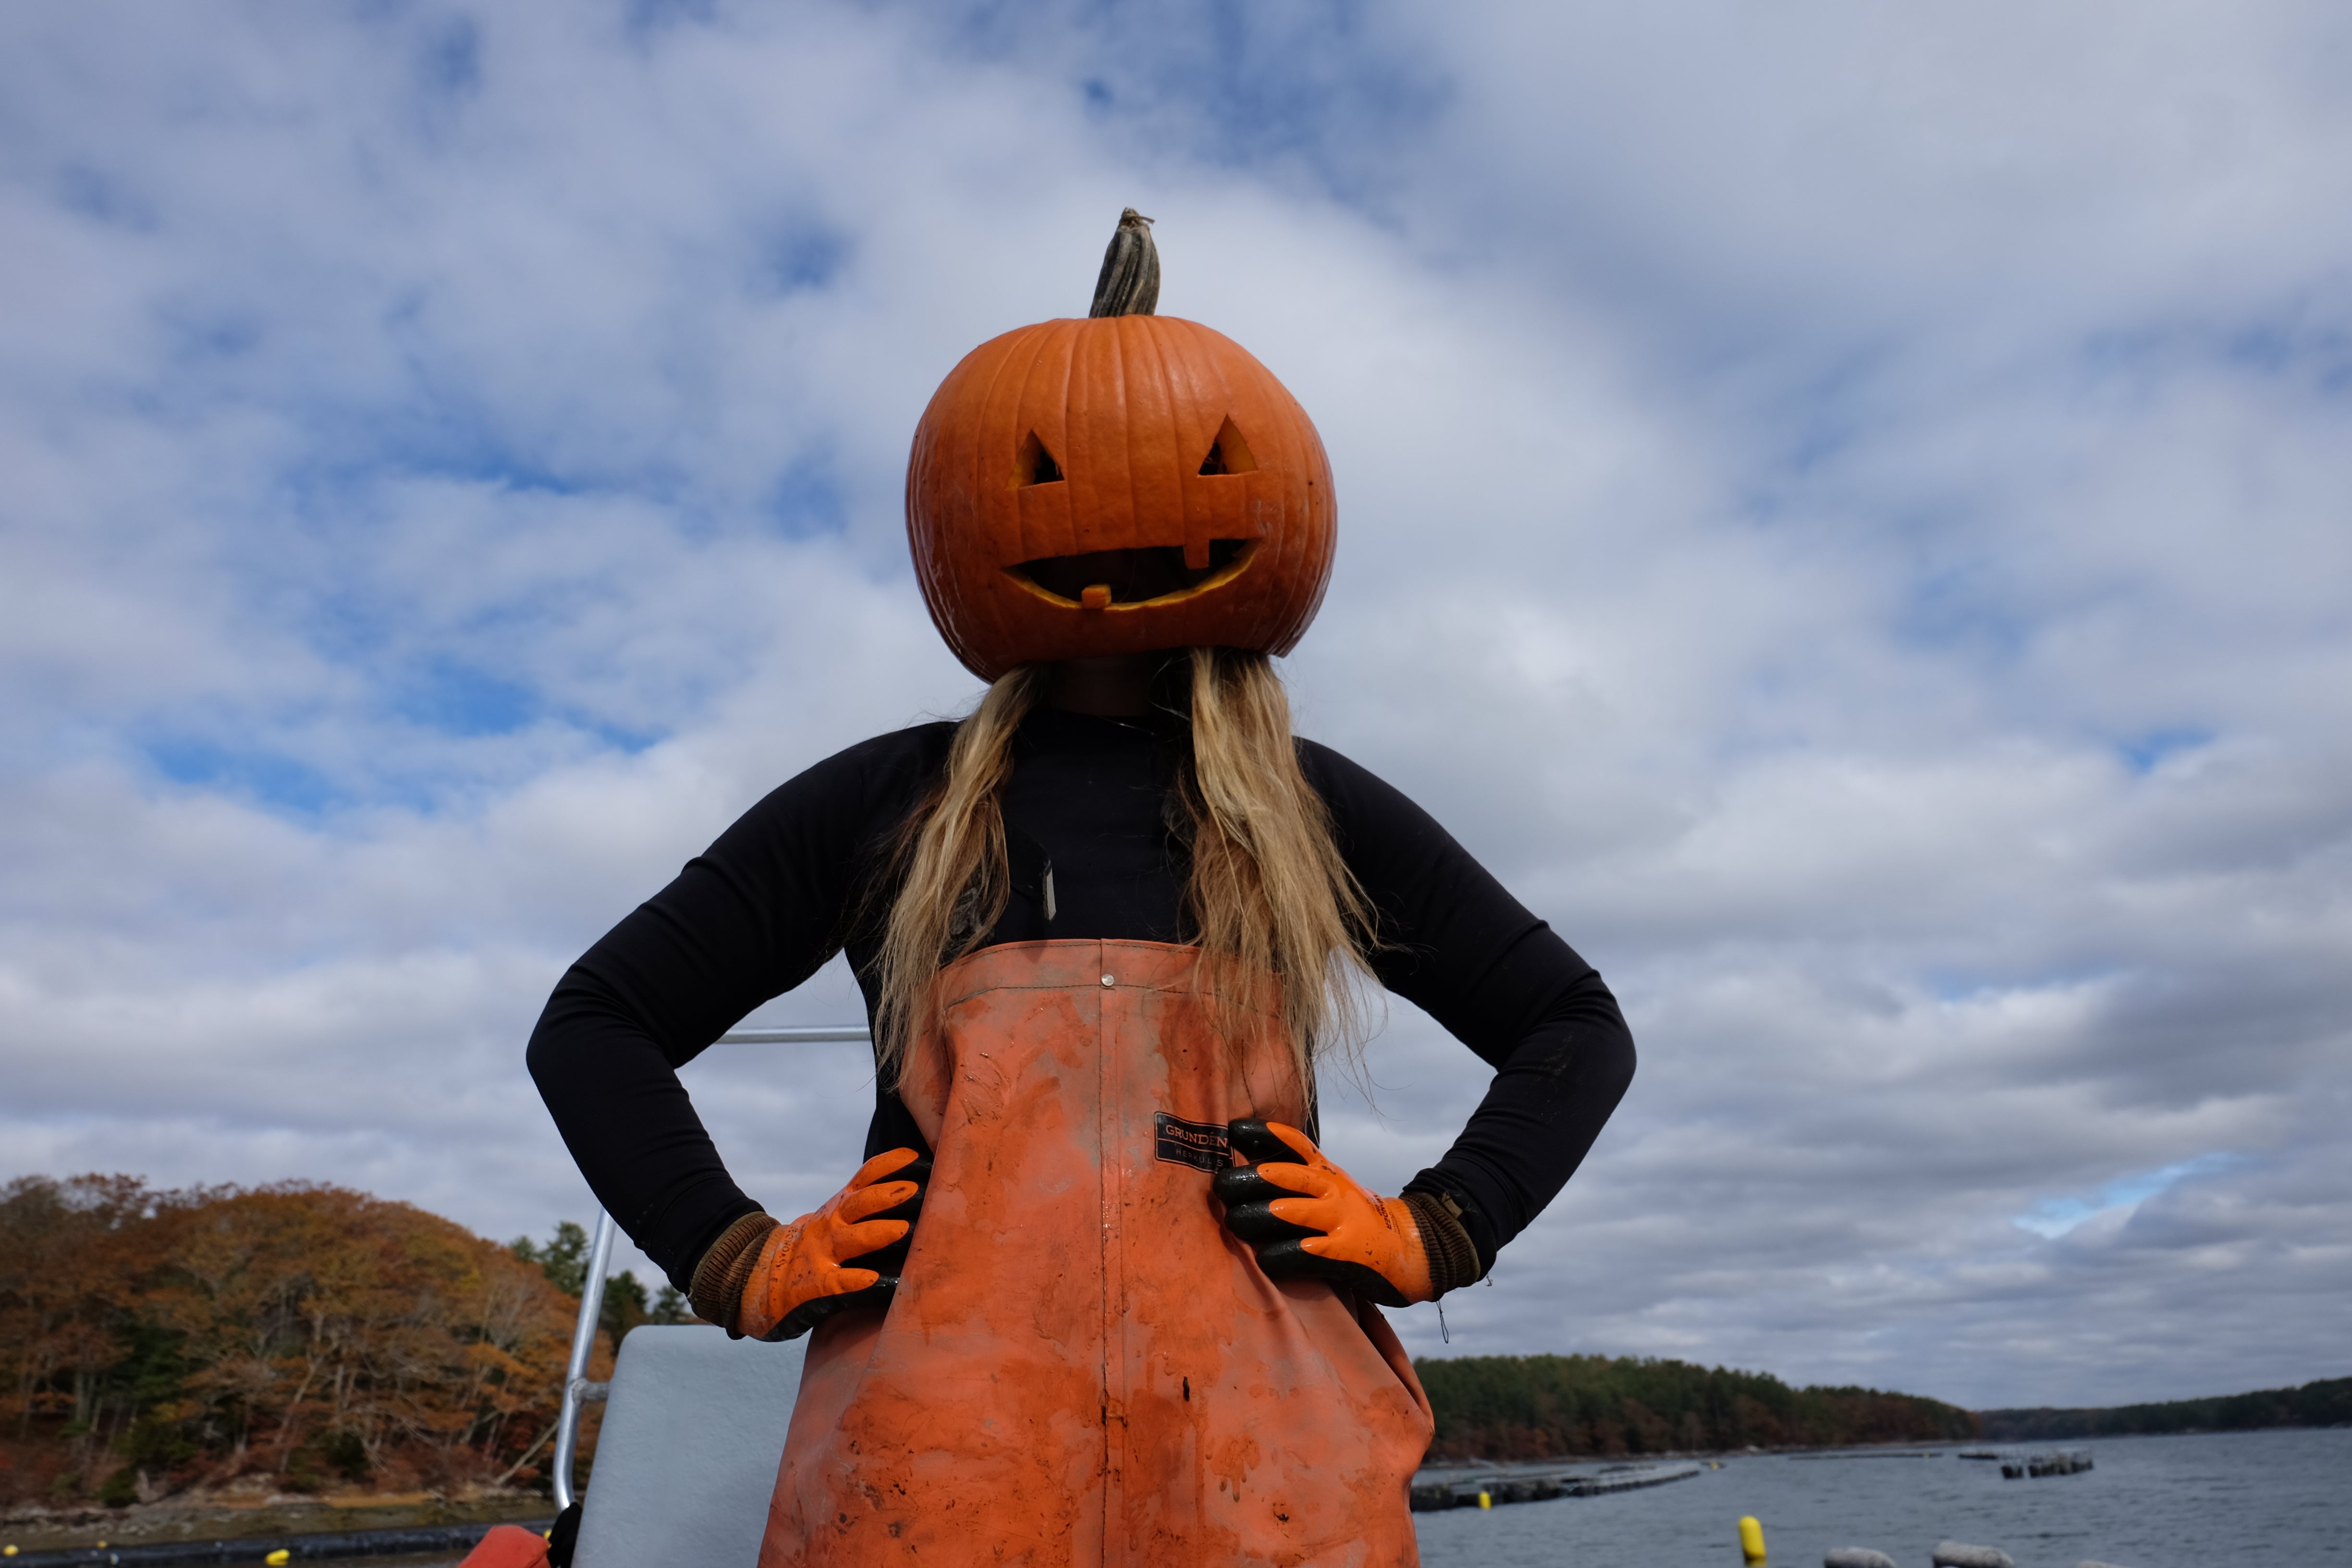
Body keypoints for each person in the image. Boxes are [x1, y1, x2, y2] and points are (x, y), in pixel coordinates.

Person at [527, 212, 1635, 1567]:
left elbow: (1574, 1026)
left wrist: (1435, 1229)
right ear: (968, 510)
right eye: (1042, 472)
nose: (1105, 512)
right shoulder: (893, 802)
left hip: (1269, 1469)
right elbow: (596, 1023)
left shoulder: (1310, 811)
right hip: (930, 1468)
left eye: (1207, 460)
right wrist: (738, 1254)